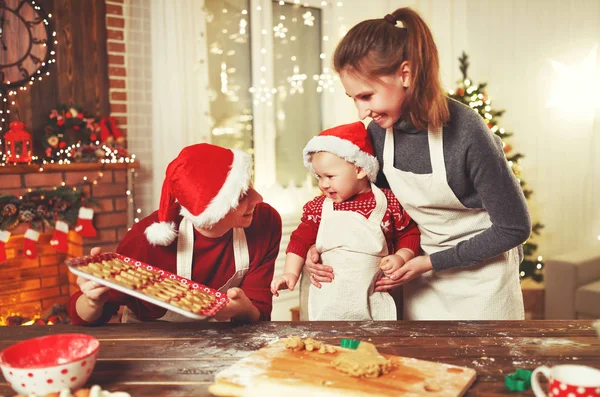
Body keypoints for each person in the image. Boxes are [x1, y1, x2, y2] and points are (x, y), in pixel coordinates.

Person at [305, 7, 532, 320]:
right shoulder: (380, 134)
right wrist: (319, 248)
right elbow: (373, 209)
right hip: (420, 283)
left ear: (406, 74)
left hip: (484, 285)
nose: (360, 112)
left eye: (367, 96)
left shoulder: (467, 132)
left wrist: (430, 262)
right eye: (353, 98)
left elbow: (514, 228)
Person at [68, 143, 282, 324]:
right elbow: (89, 316)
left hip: (220, 344)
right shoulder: (146, 240)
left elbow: (259, 311)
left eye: (250, 186)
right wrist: (92, 300)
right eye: (241, 196)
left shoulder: (265, 222)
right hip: (150, 344)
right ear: (209, 212)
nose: (258, 198)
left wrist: (241, 309)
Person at [271, 121, 420, 320]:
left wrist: (401, 257)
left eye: (330, 176)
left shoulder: (388, 203)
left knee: (374, 347)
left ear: (360, 170)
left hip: (374, 298)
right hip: (329, 301)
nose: (323, 184)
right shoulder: (319, 208)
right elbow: (299, 240)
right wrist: (290, 273)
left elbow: (409, 233)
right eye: (319, 177)